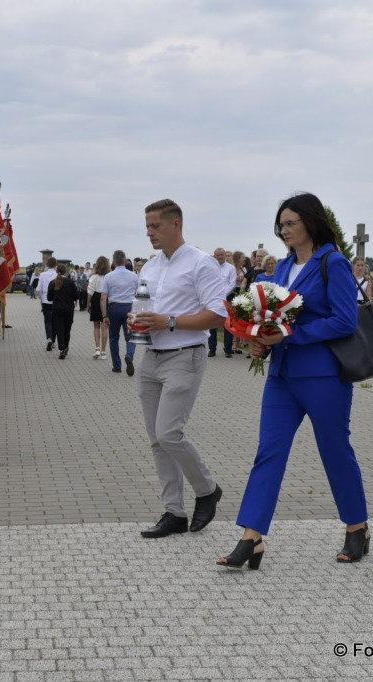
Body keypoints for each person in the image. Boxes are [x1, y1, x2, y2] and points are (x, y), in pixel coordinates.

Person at [218, 192, 368, 570]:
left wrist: (288, 336)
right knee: (268, 452)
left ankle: (357, 527)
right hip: (282, 377)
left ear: (310, 221)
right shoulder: (282, 268)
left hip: (324, 376)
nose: (284, 231)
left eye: (290, 223)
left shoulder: (333, 263)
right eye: (281, 225)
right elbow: (273, 319)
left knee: (334, 450)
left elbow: (344, 321)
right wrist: (260, 343)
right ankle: (251, 538)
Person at [132, 199, 226, 539]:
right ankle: (174, 512)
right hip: (150, 357)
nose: (149, 232)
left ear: (176, 224)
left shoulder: (201, 264)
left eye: (155, 226)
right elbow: (142, 306)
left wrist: (167, 321)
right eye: (147, 226)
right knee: (157, 440)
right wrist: (137, 320)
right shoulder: (149, 267)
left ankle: (207, 490)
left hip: (184, 356)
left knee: (170, 432)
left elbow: (218, 315)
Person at [99, 250, 139, 374]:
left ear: (114, 261)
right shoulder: (133, 276)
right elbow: (138, 295)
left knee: (114, 337)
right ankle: (129, 355)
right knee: (131, 336)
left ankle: (117, 366)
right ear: (125, 260)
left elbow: (103, 297)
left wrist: (104, 315)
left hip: (114, 308)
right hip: (129, 307)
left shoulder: (109, 276)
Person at [208, 248, 235, 357]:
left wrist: (222, 295)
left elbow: (232, 284)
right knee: (212, 324)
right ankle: (212, 349)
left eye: (222, 255)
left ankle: (228, 350)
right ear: (214, 256)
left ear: (225, 255)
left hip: (226, 299)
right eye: (218, 255)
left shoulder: (231, 268)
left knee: (227, 324)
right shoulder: (210, 268)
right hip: (213, 299)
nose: (220, 257)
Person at [48, 263, 79, 359]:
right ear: (66, 271)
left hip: (57, 309)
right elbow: (76, 296)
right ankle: (65, 347)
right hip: (68, 309)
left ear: (57, 271)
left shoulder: (53, 282)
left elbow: (49, 298)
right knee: (67, 329)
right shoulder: (70, 282)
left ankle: (62, 349)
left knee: (59, 329)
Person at [88, 256, 110, 359]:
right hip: (106, 299)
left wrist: (88, 304)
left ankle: (97, 349)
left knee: (96, 326)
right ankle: (104, 351)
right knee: (104, 326)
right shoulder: (109, 276)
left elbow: (90, 291)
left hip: (96, 299)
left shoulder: (94, 276)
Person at [36, 257, 58, 350]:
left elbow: (38, 289)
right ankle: (53, 341)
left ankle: (48, 338)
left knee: (47, 321)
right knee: (55, 322)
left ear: (47, 265)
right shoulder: (57, 275)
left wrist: (41, 299)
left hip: (45, 301)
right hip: (56, 301)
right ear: (56, 265)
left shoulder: (43, 275)